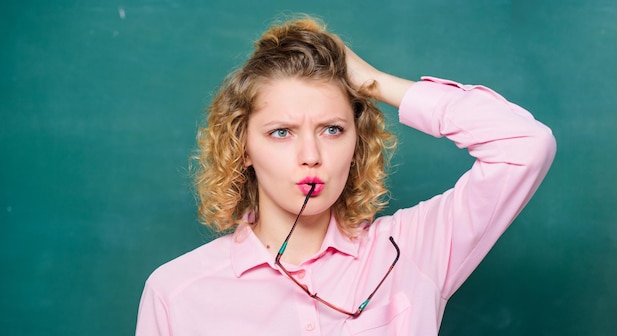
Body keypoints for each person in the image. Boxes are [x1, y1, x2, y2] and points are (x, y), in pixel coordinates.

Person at [136, 16, 556, 335]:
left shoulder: (412, 252)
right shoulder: (176, 292)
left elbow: (525, 145)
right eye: (281, 132)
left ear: (358, 141)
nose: (311, 156)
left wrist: (372, 82)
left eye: (331, 129)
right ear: (243, 147)